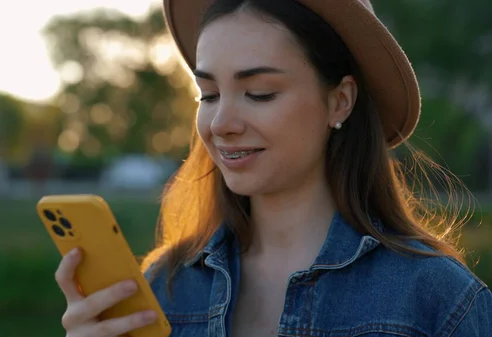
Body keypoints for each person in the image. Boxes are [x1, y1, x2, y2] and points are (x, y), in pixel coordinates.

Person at [54, 0, 492, 336]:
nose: (221, 124)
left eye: (260, 93)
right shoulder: (164, 288)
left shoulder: (438, 300)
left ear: (339, 101)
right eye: (207, 95)